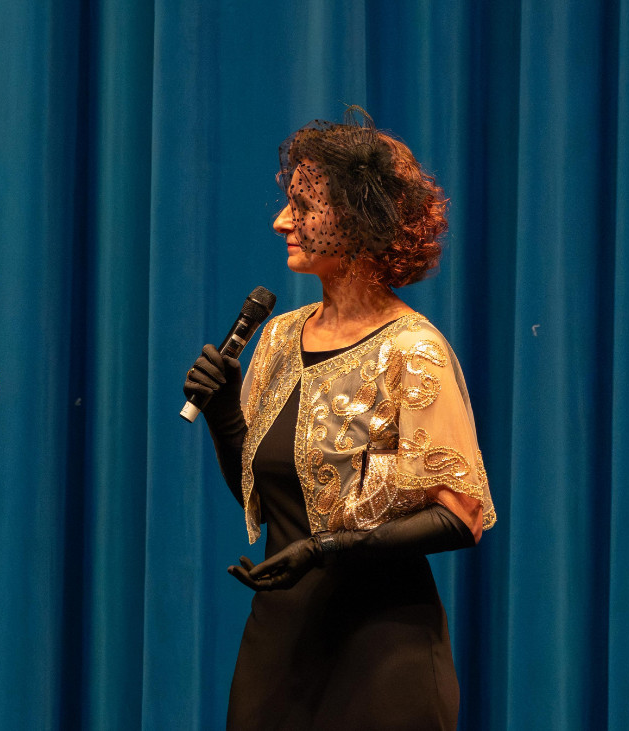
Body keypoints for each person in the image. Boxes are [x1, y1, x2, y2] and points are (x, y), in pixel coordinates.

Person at [183, 107, 496, 730]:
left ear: (357, 219)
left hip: (381, 652)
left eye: (302, 208)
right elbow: (268, 496)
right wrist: (223, 414)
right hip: (281, 644)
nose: (281, 221)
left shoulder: (412, 350)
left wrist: (330, 546)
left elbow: (461, 516)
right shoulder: (278, 336)